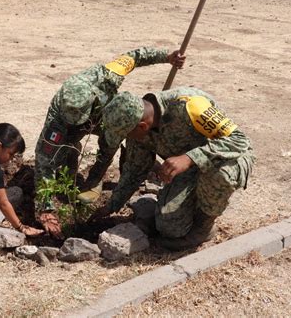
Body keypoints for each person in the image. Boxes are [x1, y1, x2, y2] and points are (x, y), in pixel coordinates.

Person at [34, 46, 185, 237]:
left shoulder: (108, 76)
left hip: (103, 117)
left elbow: (135, 56)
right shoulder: (58, 118)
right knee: (57, 154)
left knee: (113, 141)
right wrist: (45, 208)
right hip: (66, 127)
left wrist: (167, 57)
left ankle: (97, 178)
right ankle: (69, 164)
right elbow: (42, 163)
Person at [94, 87, 255, 250]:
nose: (127, 139)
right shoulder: (138, 131)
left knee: (222, 174)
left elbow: (239, 140)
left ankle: (203, 229)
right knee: (169, 228)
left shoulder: (190, 105)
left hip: (223, 159)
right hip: (188, 170)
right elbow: (135, 170)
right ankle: (197, 201)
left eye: (126, 135)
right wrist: (112, 205)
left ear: (142, 126)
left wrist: (190, 157)